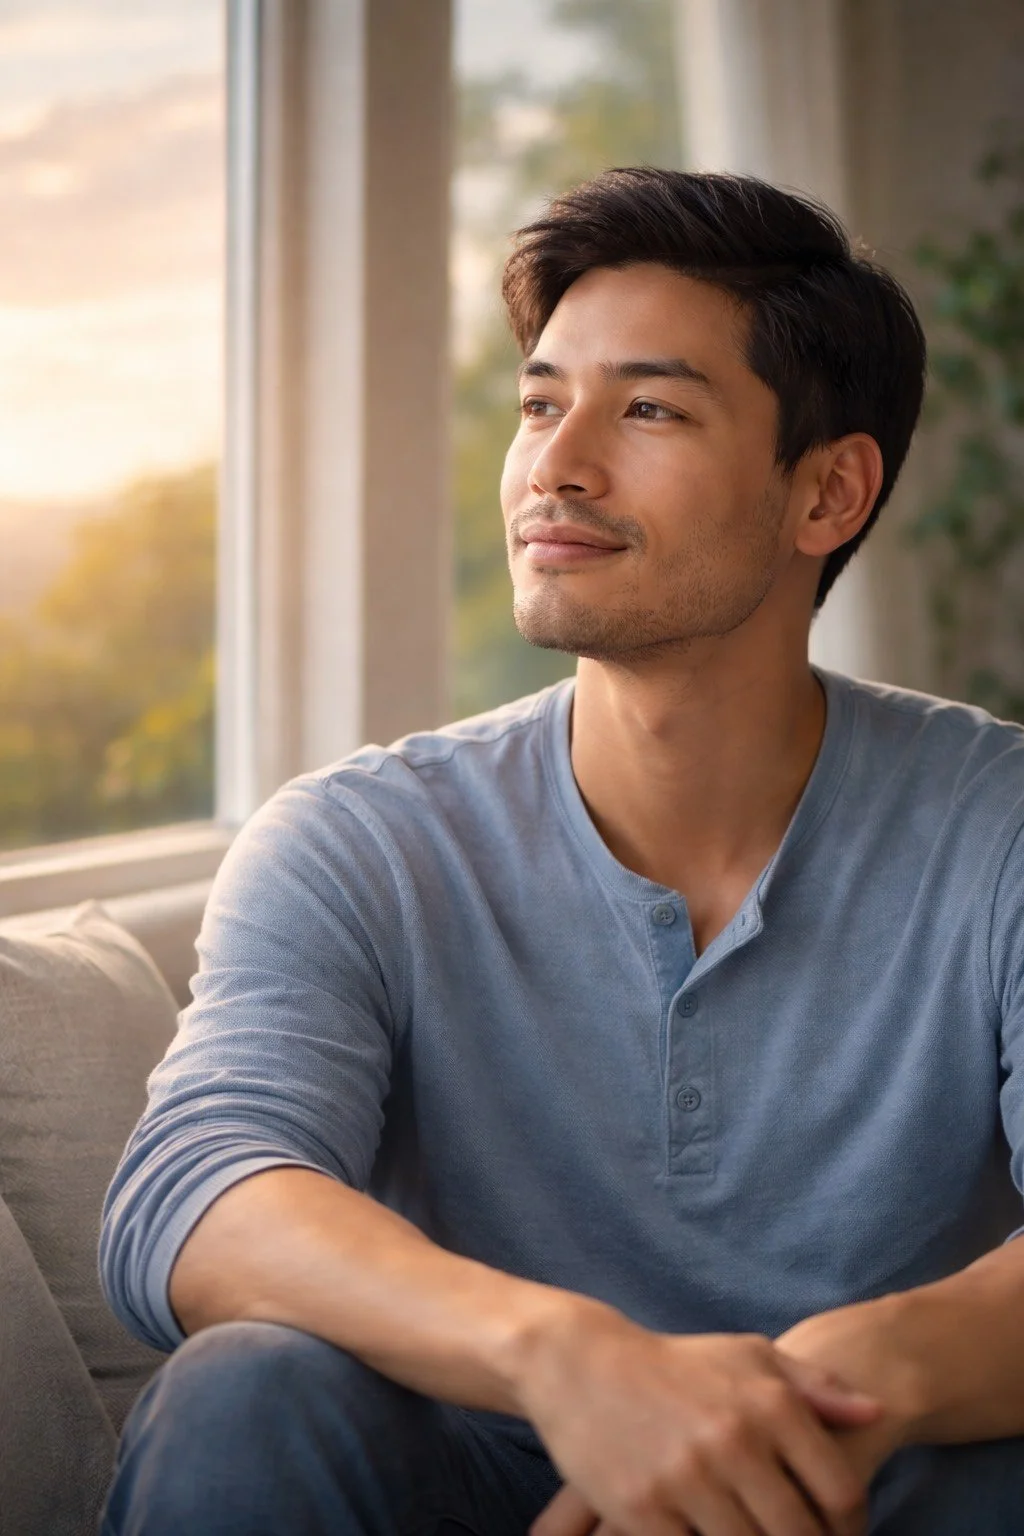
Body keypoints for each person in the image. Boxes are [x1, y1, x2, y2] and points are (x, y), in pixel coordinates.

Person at [100, 168, 1024, 1536]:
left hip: (866, 1481)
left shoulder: (998, 825)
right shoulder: (358, 841)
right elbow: (198, 1194)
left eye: (647, 407)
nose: (556, 463)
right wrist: (572, 1360)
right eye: (541, 404)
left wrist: (791, 1397)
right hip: (472, 1481)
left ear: (827, 494)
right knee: (247, 1390)